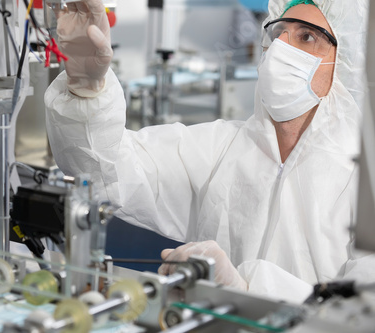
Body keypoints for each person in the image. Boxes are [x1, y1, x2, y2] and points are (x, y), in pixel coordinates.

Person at [45, 0, 369, 303]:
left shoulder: (363, 179)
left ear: (346, 63)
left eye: (307, 37)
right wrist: (87, 89)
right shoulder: (221, 148)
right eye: (277, 33)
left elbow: (364, 307)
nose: (283, 47)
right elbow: (106, 171)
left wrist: (245, 289)